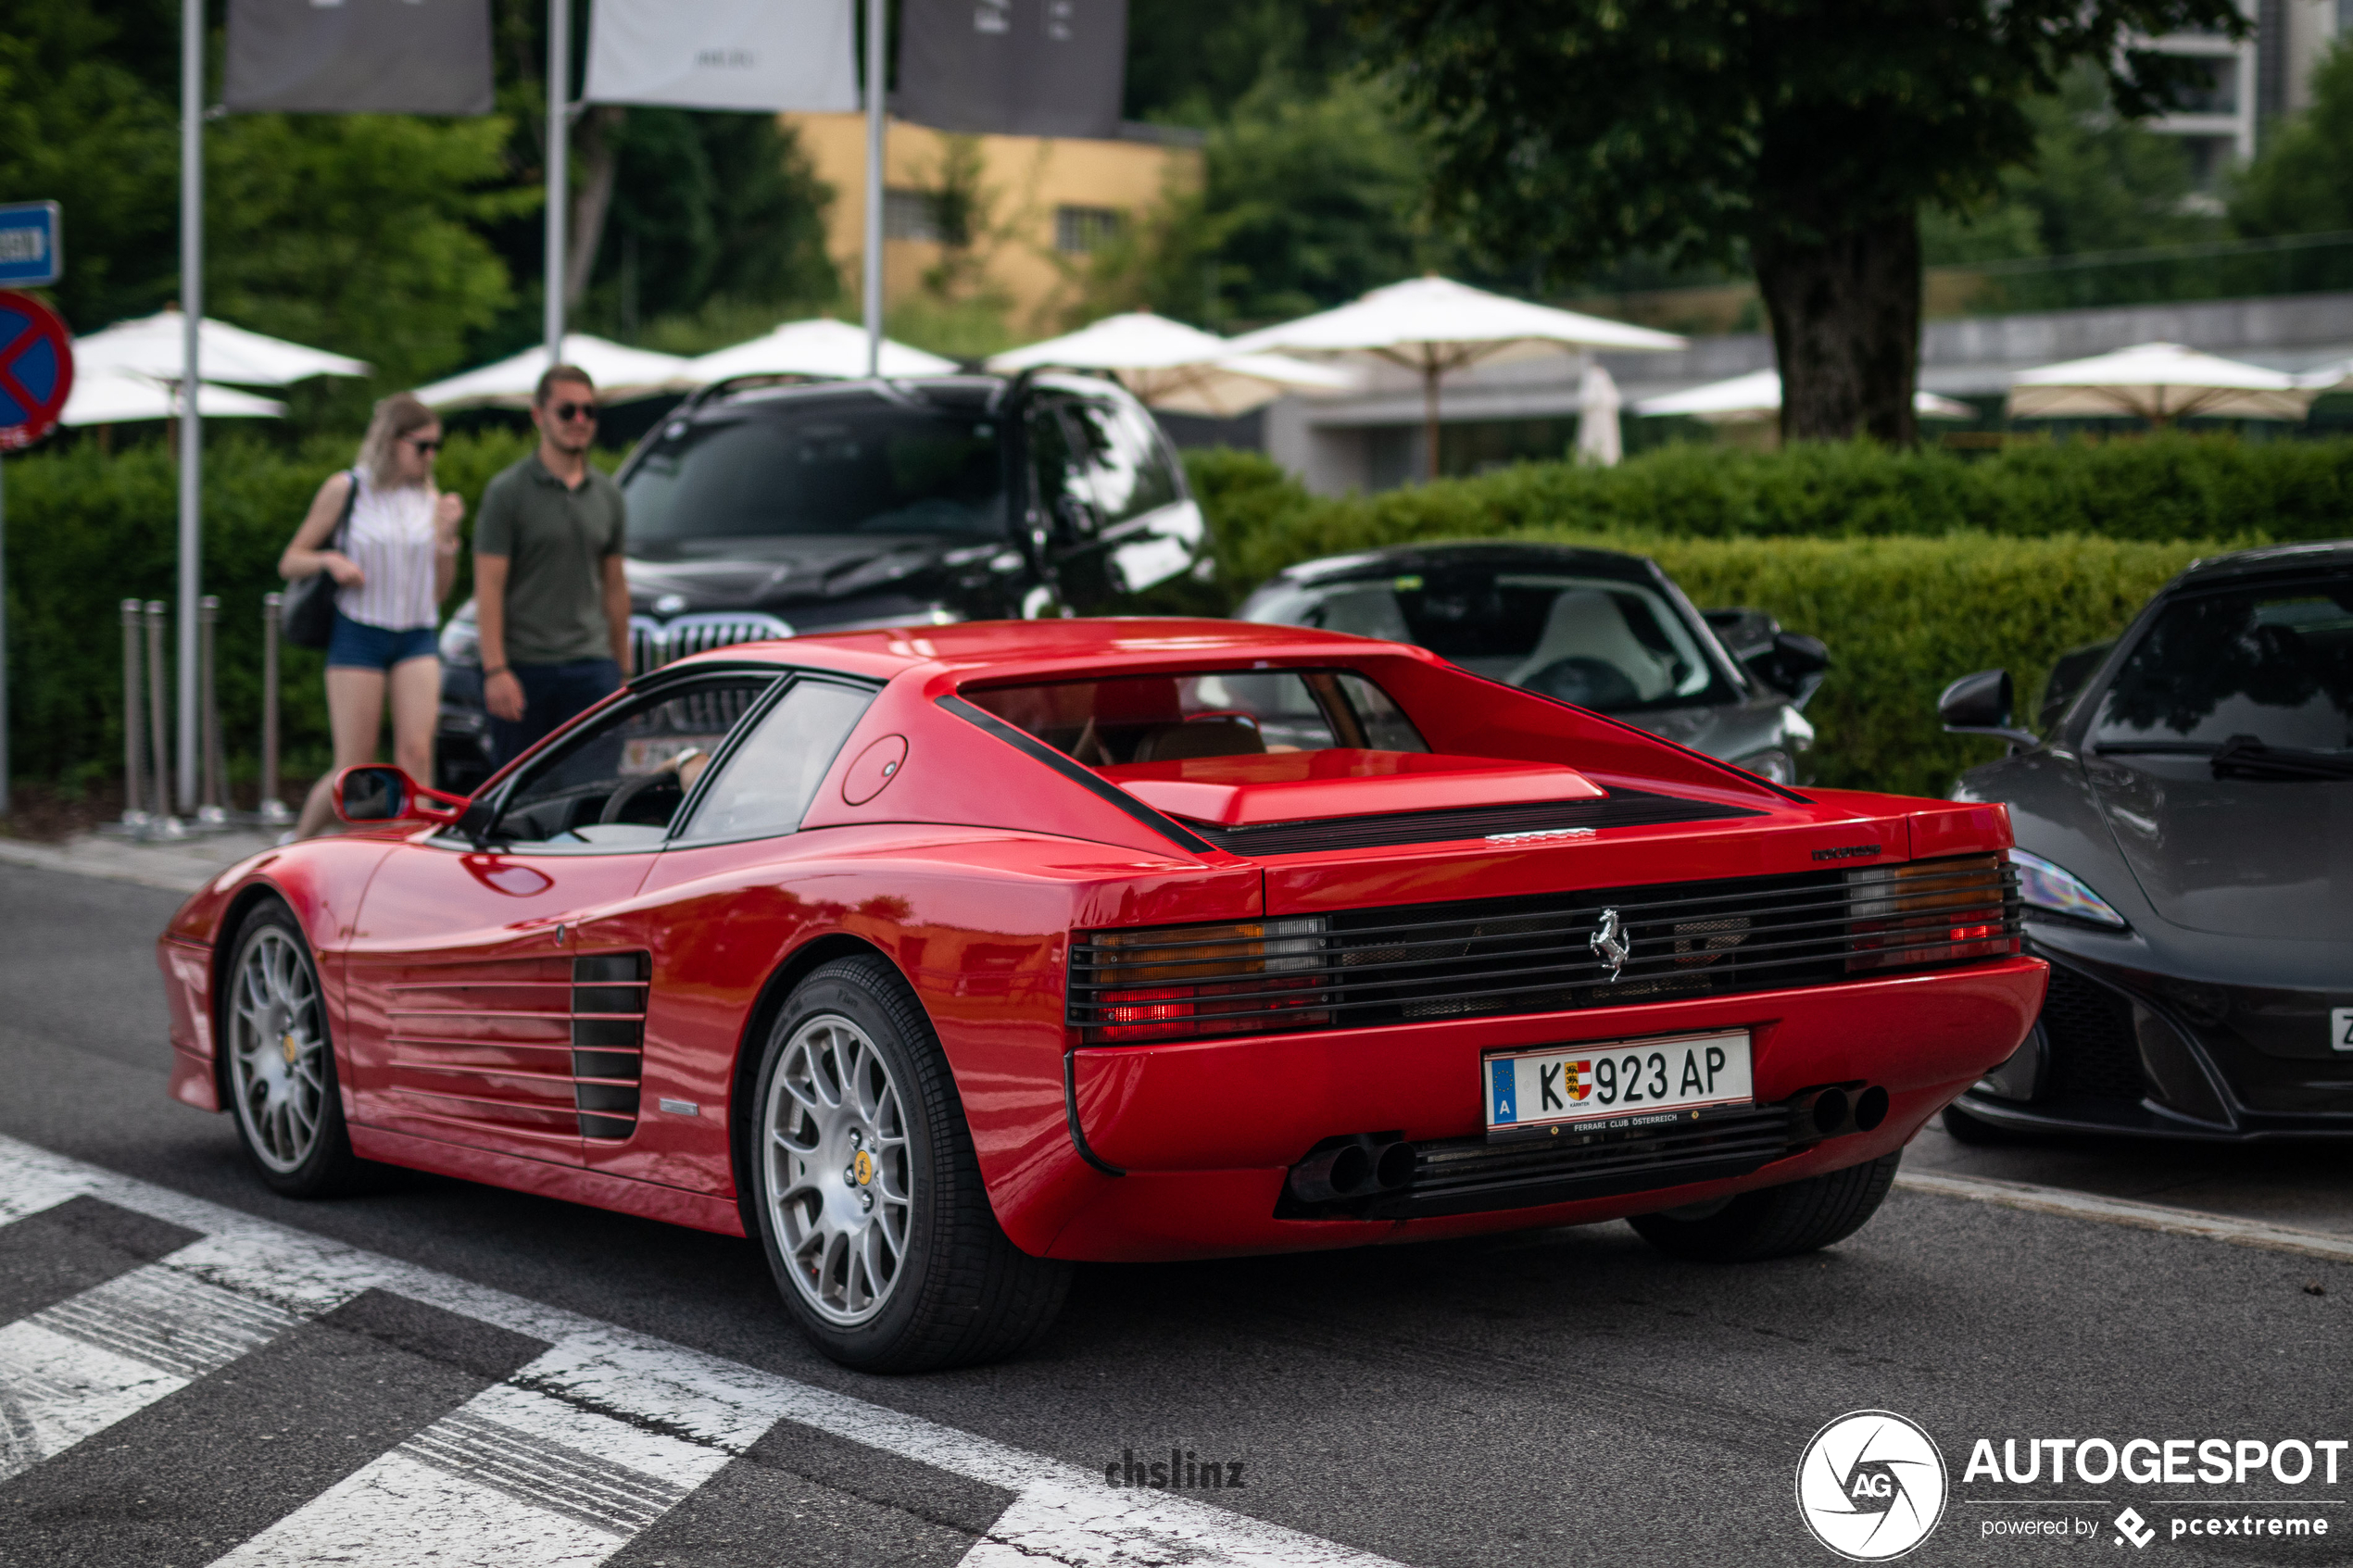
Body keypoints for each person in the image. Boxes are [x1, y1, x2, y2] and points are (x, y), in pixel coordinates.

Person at [278, 392, 464, 838]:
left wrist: (447, 540)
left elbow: (439, 590)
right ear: (391, 441)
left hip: (417, 634)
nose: (430, 455)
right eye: (422, 445)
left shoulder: (431, 499)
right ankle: (298, 842)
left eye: (437, 445)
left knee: (417, 755)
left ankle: (416, 852)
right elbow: (290, 561)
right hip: (358, 631)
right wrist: (330, 561)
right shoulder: (348, 488)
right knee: (354, 765)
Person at [474, 365, 633, 766]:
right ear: (538, 415)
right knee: (520, 802)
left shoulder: (608, 494)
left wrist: (625, 672)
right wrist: (495, 670)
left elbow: (614, 586)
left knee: (591, 801)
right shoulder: (507, 492)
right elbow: (488, 587)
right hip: (525, 670)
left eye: (588, 411)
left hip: (592, 667)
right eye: (567, 411)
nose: (579, 421)